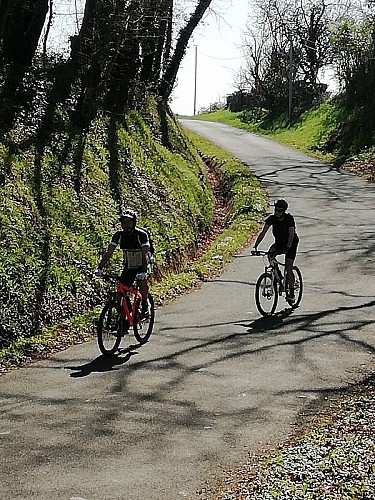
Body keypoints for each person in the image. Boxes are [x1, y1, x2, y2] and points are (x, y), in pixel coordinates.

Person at [95, 208, 151, 317]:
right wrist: (100, 268)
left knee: (141, 282)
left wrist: (144, 270)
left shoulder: (141, 235)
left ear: (134, 223)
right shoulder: (118, 236)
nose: (126, 225)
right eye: (124, 222)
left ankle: (145, 304)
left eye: (129, 222)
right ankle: (126, 316)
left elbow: (145, 254)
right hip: (129, 266)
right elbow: (109, 252)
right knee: (120, 293)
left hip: (144, 263)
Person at [253, 199, 299, 302]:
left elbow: (291, 234)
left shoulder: (289, 219)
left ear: (284, 211)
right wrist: (255, 246)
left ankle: (291, 293)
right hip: (279, 243)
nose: (277, 213)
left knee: (288, 267)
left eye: (280, 211)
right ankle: (279, 277)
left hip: (291, 243)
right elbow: (263, 232)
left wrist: (288, 247)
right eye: (276, 210)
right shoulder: (271, 219)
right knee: (270, 255)